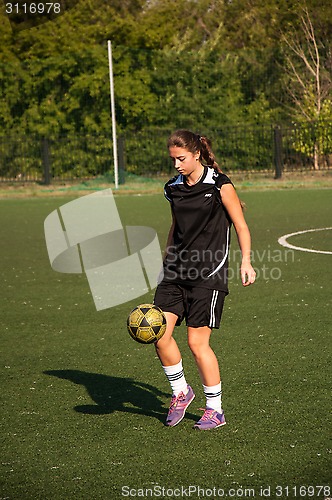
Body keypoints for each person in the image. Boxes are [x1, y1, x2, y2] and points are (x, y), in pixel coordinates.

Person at [153, 129, 256, 430]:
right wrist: (166, 263)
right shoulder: (172, 188)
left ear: (196, 154)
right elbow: (176, 229)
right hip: (175, 272)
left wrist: (246, 261)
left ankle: (215, 409)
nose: (176, 165)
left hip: (208, 274)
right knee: (159, 334)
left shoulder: (220, 185)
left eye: (181, 159)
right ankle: (181, 392)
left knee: (197, 343)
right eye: (172, 160)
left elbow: (241, 226)